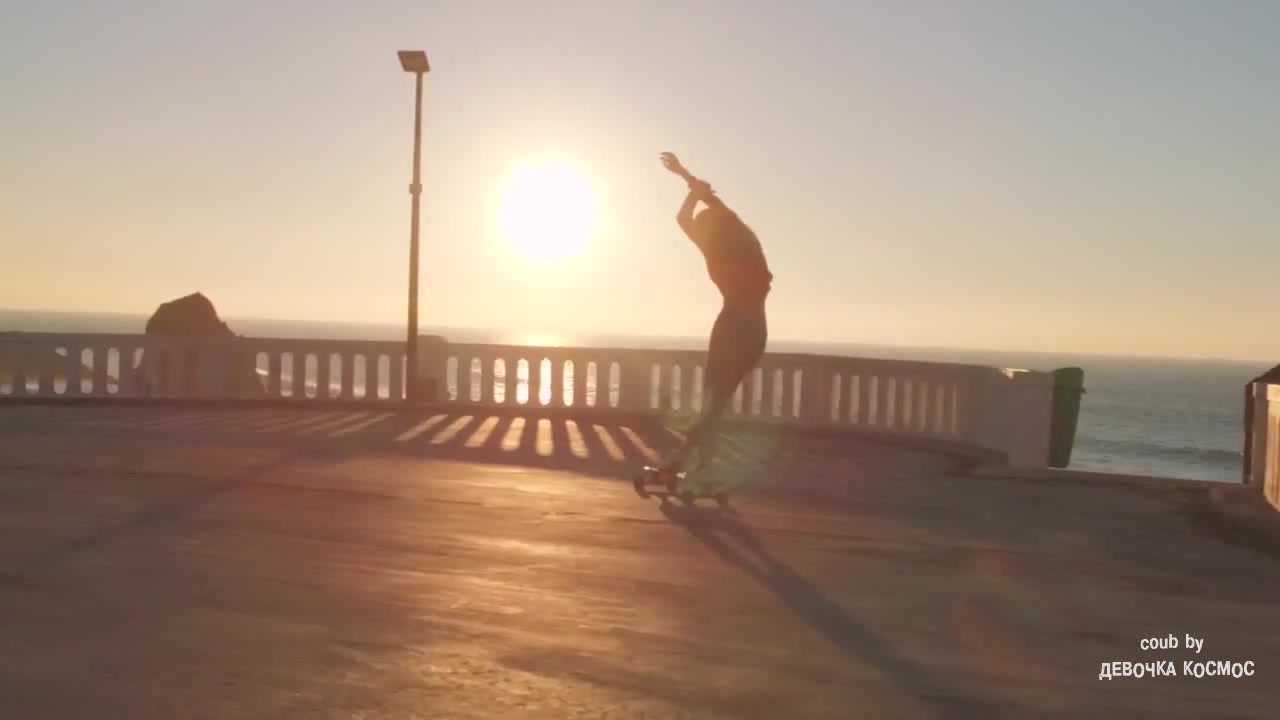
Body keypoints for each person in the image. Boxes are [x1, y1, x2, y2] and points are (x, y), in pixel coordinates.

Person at [657, 151, 772, 482]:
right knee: (716, 402)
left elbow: (685, 216)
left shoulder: (718, 249)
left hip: (733, 326)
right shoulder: (743, 240)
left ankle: (690, 462)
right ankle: (696, 462)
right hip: (755, 331)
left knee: (712, 399)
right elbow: (709, 203)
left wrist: (689, 186)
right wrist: (685, 175)